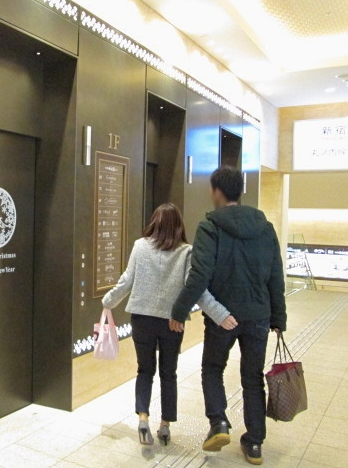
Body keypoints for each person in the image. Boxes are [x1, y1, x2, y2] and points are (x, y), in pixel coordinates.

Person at [169, 166, 287, 466]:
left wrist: (179, 311)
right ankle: (255, 443)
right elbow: (276, 276)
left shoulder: (210, 226)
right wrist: (279, 318)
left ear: (217, 192)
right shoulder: (265, 228)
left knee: (212, 369)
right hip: (258, 316)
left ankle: (219, 422)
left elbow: (199, 276)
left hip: (223, 317)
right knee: (252, 378)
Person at [102, 203, 238, 446]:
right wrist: (221, 314)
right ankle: (165, 425)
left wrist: (108, 301)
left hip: (142, 319)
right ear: (178, 225)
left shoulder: (140, 246)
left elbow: (126, 280)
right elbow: (195, 290)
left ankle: (143, 417)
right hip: (172, 323)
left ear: (154, 222)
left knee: (144, 370)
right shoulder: (186, 251)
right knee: (168, 373)